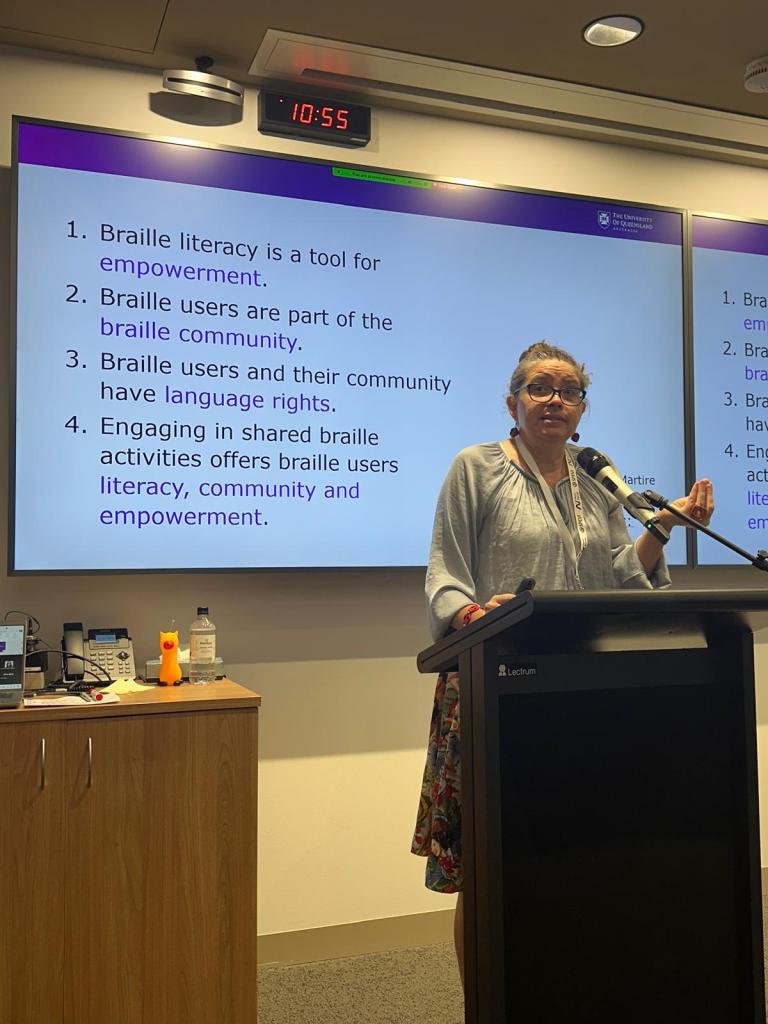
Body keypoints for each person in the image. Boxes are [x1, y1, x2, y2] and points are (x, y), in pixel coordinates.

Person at [410, 340, 714, 987]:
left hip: (580, 692)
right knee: (490, 869)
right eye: (540, 387)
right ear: (512, 401)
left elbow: (625, 584)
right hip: (490, 685)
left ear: (582, 409)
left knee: (573, 853)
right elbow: (446, 576)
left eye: (569, 390)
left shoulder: (597, 483)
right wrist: (473, 617)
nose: (555, 399)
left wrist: (661, 527)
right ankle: (485, 1005)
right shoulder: (476, 467)